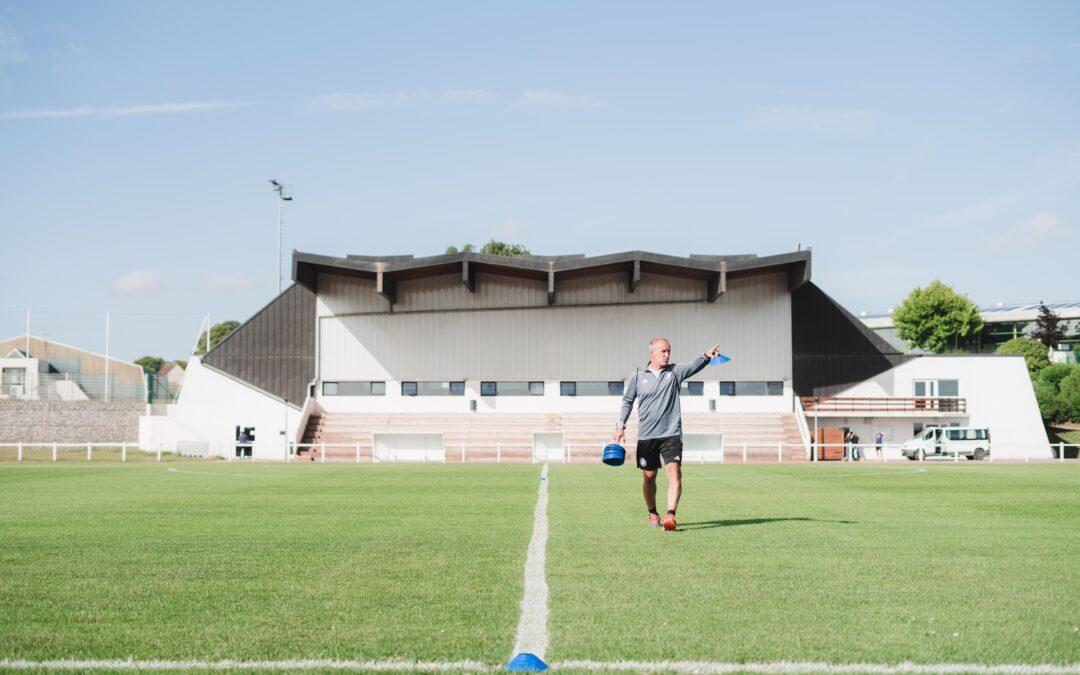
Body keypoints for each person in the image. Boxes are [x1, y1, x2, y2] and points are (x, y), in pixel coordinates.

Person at [614, 338, 721, 531]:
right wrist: (620, 426)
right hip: (647, 436)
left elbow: (693, 366)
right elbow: (627, 401)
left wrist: (706, 356)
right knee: (649, 476)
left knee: (674, 472)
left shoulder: (675, 372)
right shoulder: (638, 376)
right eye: (663, 351)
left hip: (671, 433)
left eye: (669, 351)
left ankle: (671, 515)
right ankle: (653, 512)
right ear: (652, 353)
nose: (667, 354)